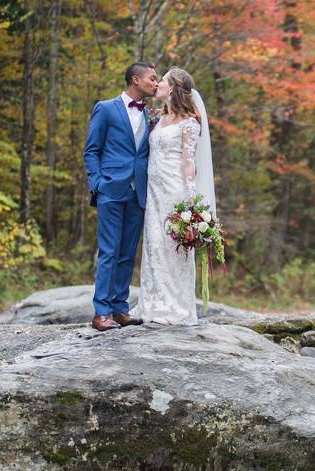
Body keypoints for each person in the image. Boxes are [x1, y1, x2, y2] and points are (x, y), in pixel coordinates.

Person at [130, 66, 216, 325]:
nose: (157, 85)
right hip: (153, 191)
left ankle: (176, 307)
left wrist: (191, 202)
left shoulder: (190, 122)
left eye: (163, 81)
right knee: (154, 245)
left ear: (174, 89)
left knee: (173, 247)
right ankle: (152, 303)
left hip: (174, 191)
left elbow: (189, 164)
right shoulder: (159, 118)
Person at [82, 62, 158, 331]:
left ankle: (119, 308)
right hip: (111, 190)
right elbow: (91, 150)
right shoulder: (105, 108)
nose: (155, 83)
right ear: (135, 80)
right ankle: (101, 312)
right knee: (109, 251)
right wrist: (98, 184)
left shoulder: (150, 115)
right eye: (152, 78)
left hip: (139, 192)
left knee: (127, 253)